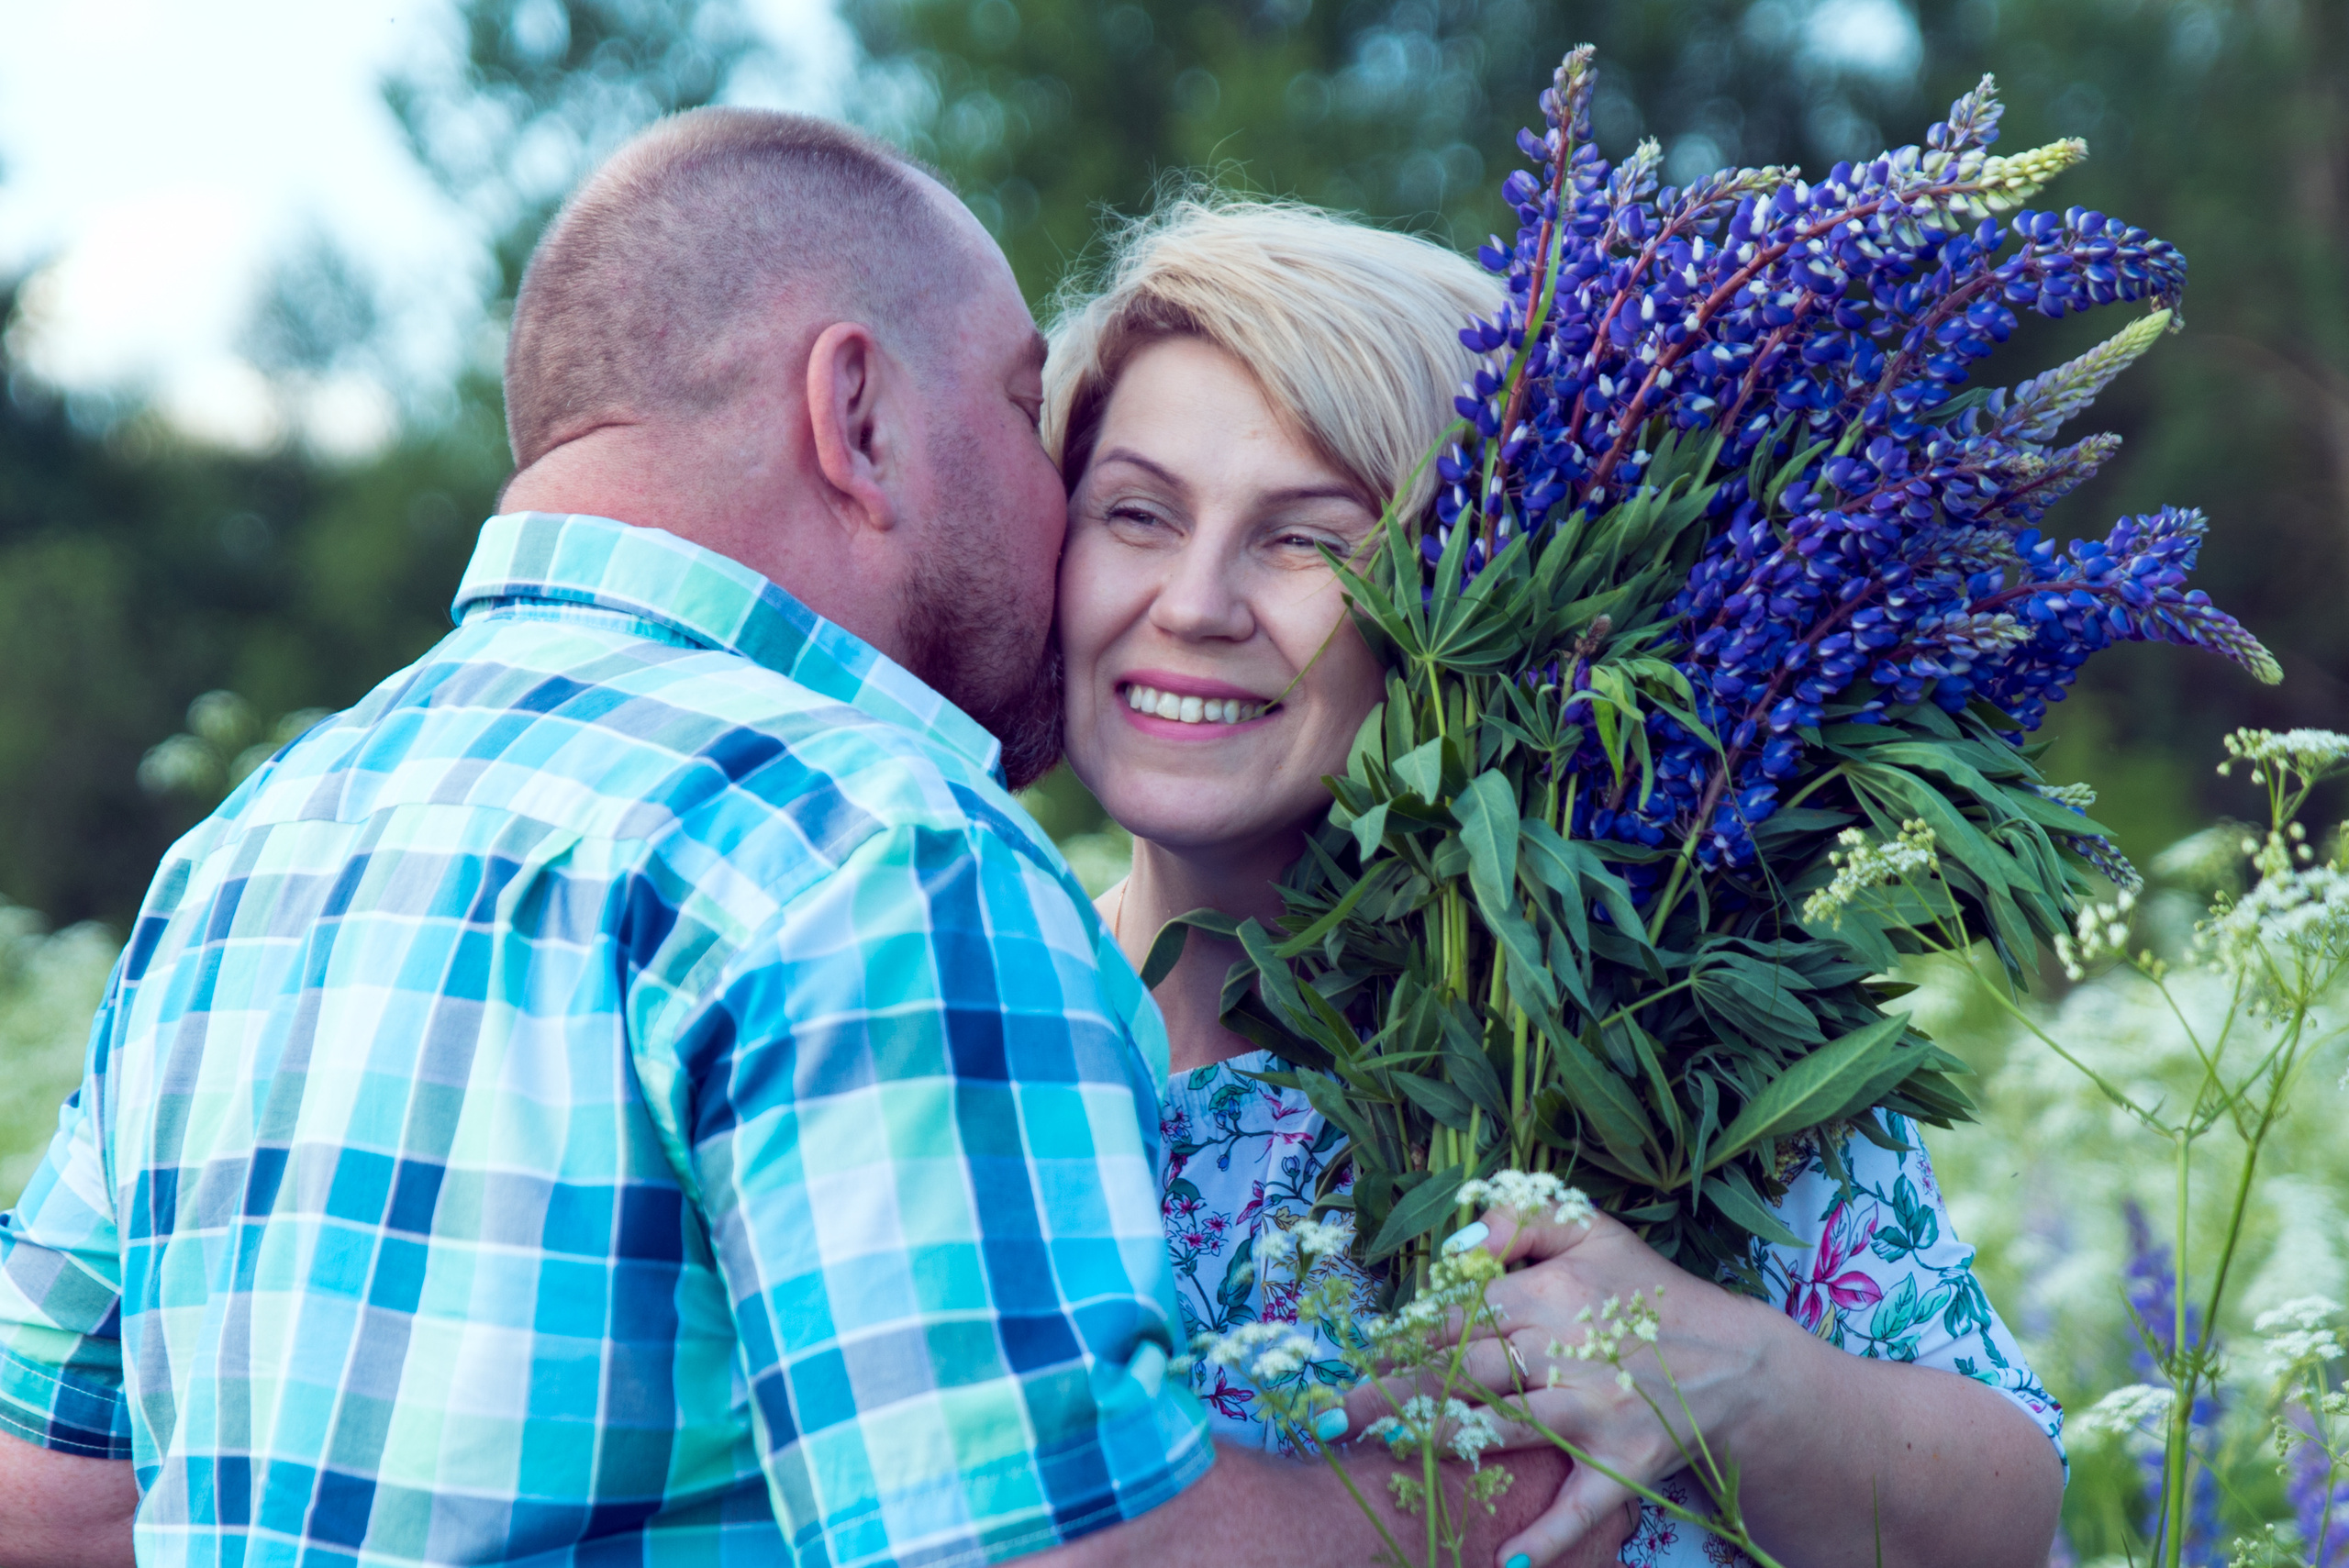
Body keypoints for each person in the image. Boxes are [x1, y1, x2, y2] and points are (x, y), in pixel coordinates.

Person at [0, 114, 1568, 1567]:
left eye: (1303, 538)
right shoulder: (871, 844)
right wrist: (1532, 1482)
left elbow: (42, 1481)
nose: (1068, 512)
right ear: (856, 414)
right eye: (1034, 420)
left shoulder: (256, 841)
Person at [1042, 196, 2070, 1568]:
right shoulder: (969, 996)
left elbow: (2007, 1517)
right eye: (1136, 512)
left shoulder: (1661, 1000)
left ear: (1484, 593)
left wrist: (1748, 1386)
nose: (1194, 601)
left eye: (1306, 538)